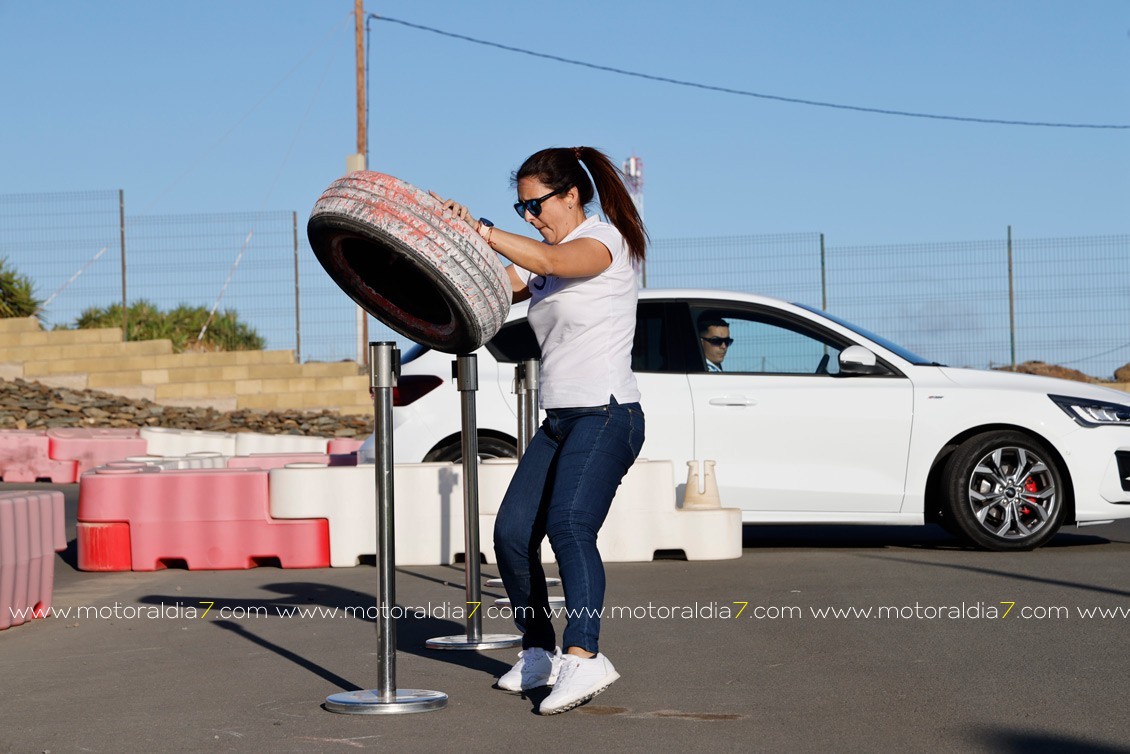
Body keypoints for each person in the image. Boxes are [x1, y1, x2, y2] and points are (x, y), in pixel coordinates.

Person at [431, 146, 646, 715]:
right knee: (510, 533)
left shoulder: (605, 243)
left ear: (571, 195)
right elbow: (488, 290)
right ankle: (539, 652)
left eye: (536, 205)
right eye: (520, 208)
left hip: (607, 414)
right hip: (561, 419)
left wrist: (483, 228)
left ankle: (586, 656)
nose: (530, 216)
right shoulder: (540, 254)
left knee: (569, 526)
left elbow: (552, 264)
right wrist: (442, 242)